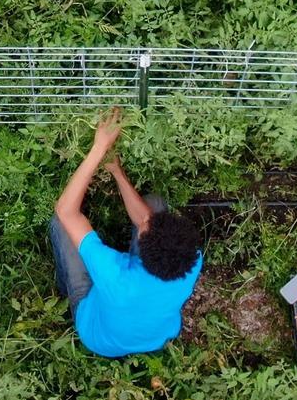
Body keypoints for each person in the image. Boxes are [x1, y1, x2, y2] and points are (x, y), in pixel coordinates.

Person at [48, 108, 203, 357]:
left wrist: (99, 148)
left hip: (100, 337)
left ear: (142, 249)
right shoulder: (192, 260)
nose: (144, 220)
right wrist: (116, 171)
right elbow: (146, 220)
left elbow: (66, 211)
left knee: (61, 225)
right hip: (155, 337)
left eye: (144, 227)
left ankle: (66, 287)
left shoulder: (114, 275)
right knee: (154, 204)